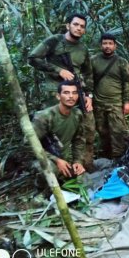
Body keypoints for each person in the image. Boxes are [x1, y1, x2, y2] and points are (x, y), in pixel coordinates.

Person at [28, 13, 95, 170]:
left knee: (87, 127)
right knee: (54, 130)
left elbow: (88, 73)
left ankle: (82, 165)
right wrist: (58, 70)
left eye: (82, 27)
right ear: (68, 25)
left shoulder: (83, 48)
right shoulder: (54, 41)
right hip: (55, 93)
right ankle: (54, 165)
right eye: (76, 24)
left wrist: (88, 95)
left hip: (77, 92)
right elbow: (33, 58)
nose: (78, 28)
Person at [32, 81, 86, 179]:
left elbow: (79, 140)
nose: (71, 96)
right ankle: (42, 189)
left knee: (81, 174)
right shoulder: (44, 117)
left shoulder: (77, 114)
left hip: (64, 155)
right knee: (50, 171)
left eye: (74, 93)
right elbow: (29, 145)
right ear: (58, 96)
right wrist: (56, 160)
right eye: (66, 93)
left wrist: (78, 161)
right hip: (44, 157)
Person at [91, 33, 129, 159]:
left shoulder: (121, 62)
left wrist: (127, 102)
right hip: (98, 103)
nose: (107, 46)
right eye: (105, 43)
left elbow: (127, 82)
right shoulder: (93, 60)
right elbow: (88, 80)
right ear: (101, 45)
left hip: (116, 103)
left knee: (118, 133)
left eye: (110, 43)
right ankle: (106, 157)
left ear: (115, 46)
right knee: (103, 132)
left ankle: (118, 159)